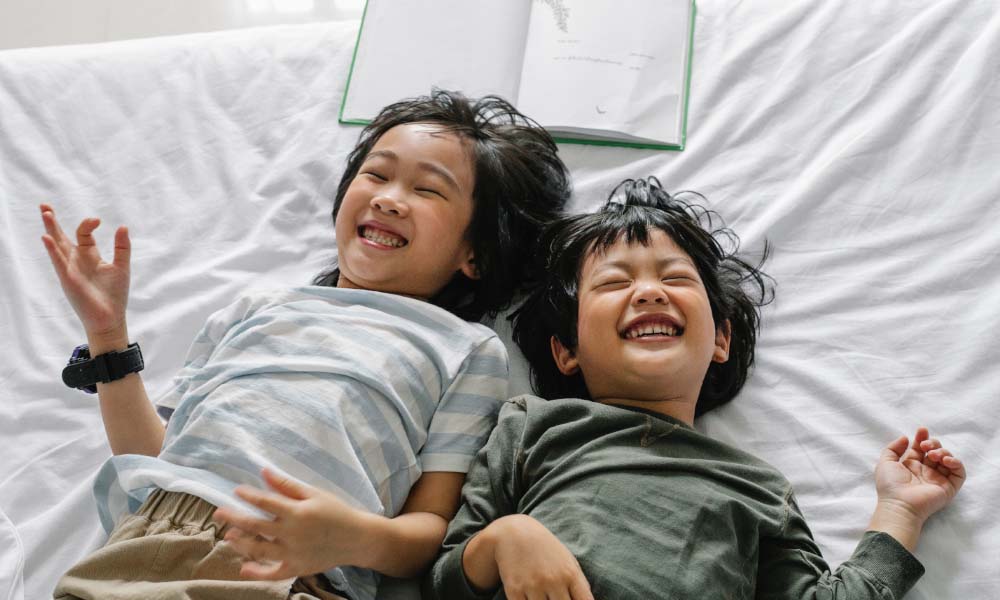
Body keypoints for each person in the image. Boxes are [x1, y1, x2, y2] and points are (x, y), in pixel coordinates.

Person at [40, 89, 571, 600]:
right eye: (376, 175)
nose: (388, 199)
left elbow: (431, 528)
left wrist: (351, 537)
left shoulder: (463, 348)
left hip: (292, 572)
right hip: (139, 548)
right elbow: (155, 456)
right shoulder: (257, 308)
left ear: (474, 255)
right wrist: (107, 337)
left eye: (427, 190)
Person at [423, 177, 966, 600]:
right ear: (567, 350)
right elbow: (443, 580)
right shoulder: (533, 426)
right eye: (615, 282)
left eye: (676, 278)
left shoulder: (757, 489)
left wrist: (900, 512)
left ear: (720, 340)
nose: (649, 292)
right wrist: (506, 538)